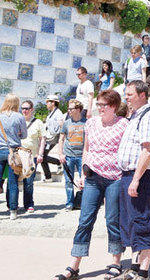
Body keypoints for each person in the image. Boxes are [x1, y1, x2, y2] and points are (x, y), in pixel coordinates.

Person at [51, 90, 129, 280]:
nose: (100, 108)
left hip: (115, 178)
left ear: (114, 107)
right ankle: (74, 265)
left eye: (105, 105)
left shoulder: (124, 125)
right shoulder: (91, 123)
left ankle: (116, 262)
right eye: (99, 105)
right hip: (93, 177)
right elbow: (87, 149)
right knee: (84, 220)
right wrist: (83, 174)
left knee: (112, 220)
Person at [117, 80, 150, 280]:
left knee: (140, 220)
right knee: (131, 222)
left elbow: (148, 149)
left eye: (130, 94)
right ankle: (134, 267)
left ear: (142, 95)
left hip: (141, 176)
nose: (126, 98)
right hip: (129, 175)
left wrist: (136, 179)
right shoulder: (136, 116)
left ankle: (143, 271)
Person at [0, 94, 27, 220]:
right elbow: (24, 135)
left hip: (0, 151)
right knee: (13, 182)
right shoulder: (19, 117)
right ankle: (13, 211)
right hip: (14, 152)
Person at [59, 99, 87, 211]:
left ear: (78, 109)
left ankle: (83, 202)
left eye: (71, 109)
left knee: (84, 180)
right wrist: (61, 154)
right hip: (68, 155)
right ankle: (69, 203)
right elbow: (61, 139)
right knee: (68, 180)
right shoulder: (66, 123)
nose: (69, 111)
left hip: (82, 156)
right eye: (68, 109)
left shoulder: (86, 122)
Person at [19, 99, 46, 213]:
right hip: (18, 155)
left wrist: (40, 154)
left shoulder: (38, 122)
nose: (24, 111)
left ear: (31, 110)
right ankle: (12, 204)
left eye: (26, 108)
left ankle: (29, 204)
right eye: (23, 108)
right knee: (13, 182)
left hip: (31, 156)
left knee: (29, 182)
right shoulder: (18, 120)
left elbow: (43, 139)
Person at [41, 94, 65, 182]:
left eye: (48, 102)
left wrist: (61, 139)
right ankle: (48, 176)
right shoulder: (51, 113)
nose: (46, 104)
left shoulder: (58, 113)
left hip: (53, 138)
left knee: (42, 156)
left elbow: (62, 124)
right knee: (42, 156)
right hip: (48, 138)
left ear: (53, 103)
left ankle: (58, 163)